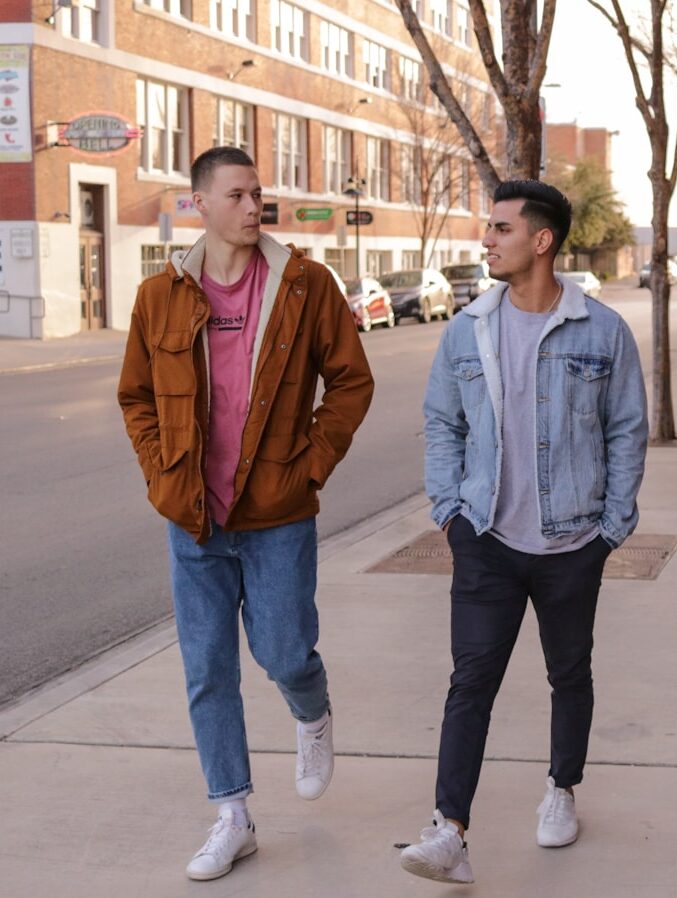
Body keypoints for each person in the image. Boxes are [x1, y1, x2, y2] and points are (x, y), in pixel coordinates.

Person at [117, 147, 374, 881]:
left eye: (257, 193)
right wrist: (162, 471)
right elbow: (137, 396)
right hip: (194, 517)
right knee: (207, 668)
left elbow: (351, 383)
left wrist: (310, 465)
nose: (253, 206)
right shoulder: (160, 296)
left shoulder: (304, 285)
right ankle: (232, 814)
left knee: (285, 652)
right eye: (236, 194)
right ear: (199, 203)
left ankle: (312, 713)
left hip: (278, 513)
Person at [400, 179, 648, 884]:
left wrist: (610, 528)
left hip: (573, 543)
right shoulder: (467, 327)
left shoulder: (603, 330)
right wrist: (450, 512)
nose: (487, 240)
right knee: (471, 681)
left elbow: (627, 429)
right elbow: (443, 422)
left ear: (541, 241)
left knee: (569, 673)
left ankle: (562, 789)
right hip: (485, 539)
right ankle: (449, 831)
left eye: (501, 228)